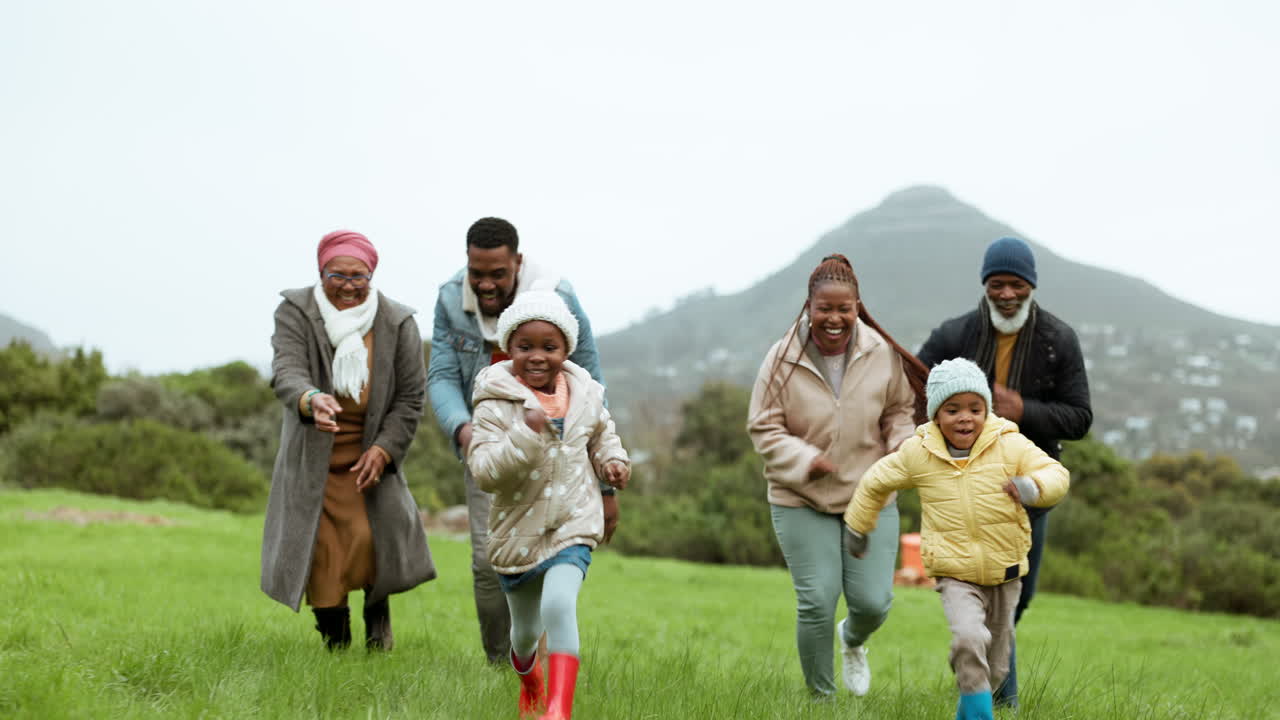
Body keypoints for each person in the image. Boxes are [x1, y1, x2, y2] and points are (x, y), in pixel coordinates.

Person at [428, 217, 617, 664]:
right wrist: (464, 428)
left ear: (518, 261)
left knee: (554, 558)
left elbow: (592, 388)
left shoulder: (560, 296)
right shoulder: (450, 300)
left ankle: (551, 663)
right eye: (477, 273)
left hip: (559, 456)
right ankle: (505, 663)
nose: (486, 284)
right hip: (495, 448)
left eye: (498, 273)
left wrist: (605, 486)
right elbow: (440, 375)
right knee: (487, 564)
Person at [916, 236, 1092, 707]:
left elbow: (1079, 418)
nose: (1007, 294)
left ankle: (981, 681)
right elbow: (916, 381)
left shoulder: (1059, 340)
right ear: (985, 285)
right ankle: (996, 700)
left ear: (1031, 286)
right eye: (997, 284)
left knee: (1018, 598)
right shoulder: (956, 335)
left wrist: (1022, 408)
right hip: (964, 490)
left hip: (1029, 489)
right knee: (991, 603)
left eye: (1016, 284)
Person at [843, 358, 1069, 720]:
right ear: (935, 415)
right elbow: (875, 482)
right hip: (955, 572)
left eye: (974, 408)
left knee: (995, 668)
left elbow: (1055, 473)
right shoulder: (920, 453)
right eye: (953, 410)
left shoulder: (1009, 444)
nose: (965, 417)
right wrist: (858, 526)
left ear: (986, 410)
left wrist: (1032, 487)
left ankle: (968, 701)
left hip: (1005, 571)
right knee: (968, 638)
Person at [746, 253, 928, 699]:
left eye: (843, 308)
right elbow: (763, 426)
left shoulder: (880, 353)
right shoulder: (782, 358)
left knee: (872, 603)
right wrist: (805, 459)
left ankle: (853, 640)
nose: (834, 318)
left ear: (857, 307)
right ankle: (821, 701)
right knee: (817, 602)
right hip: (800, 499)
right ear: (808, 307)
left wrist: (901, 445)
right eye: (824, 308)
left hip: (870, 496)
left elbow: (900, 411)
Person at [261, 229, 436, 650]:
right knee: (321, 551)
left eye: (357, 277)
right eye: (336, 275)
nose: (347, 286)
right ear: (320, 272)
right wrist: (310, 399)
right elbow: (286, 371)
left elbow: (411, 397)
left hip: (368, 456)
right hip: (313, 459)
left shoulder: (397, 321)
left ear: (371, 276)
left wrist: (385, 449)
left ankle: (379, 623)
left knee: (370, 542)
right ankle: (334, 644)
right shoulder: (295, 312)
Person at [467, 291, 630, 720]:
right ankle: (531, 682)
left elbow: (602, 435)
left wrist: (613, 462)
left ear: (566, 350)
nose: (537, 356)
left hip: (573, 522)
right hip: (516, 532)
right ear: (508, 349)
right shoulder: (493, 402)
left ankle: (558, 711)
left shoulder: (587, 395)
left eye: (549, 346)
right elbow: (485, 471)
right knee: (522, 636)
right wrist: (524, 432)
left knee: (559, 605)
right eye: (525, 346)